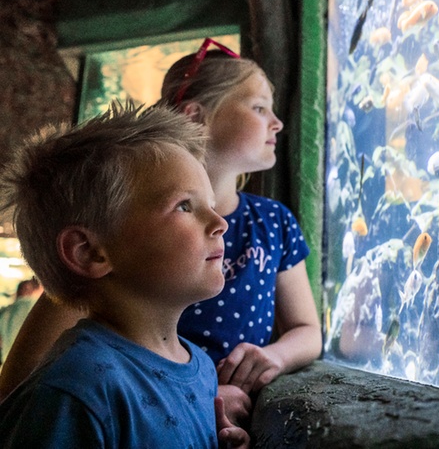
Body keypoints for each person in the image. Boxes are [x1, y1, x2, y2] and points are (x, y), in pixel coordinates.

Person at [0, 39, 322, 427]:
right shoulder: (121, 231)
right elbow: (21, 383)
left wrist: (275, 357)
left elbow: (307, 328)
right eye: (258, 107)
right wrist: (190, 398)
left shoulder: (273, 221)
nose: (277, 122)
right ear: (195, 115)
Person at [0, 104, 247, 447]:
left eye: (210, 204)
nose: (220, 223)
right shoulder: (76, 390)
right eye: (184, 206)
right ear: (90, 252)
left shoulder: (201, 366)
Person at [0, 278, 42, 364]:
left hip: (9, 365)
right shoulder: (37, 308)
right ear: (28, 288)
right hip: (32, 365)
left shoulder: (4, 311)